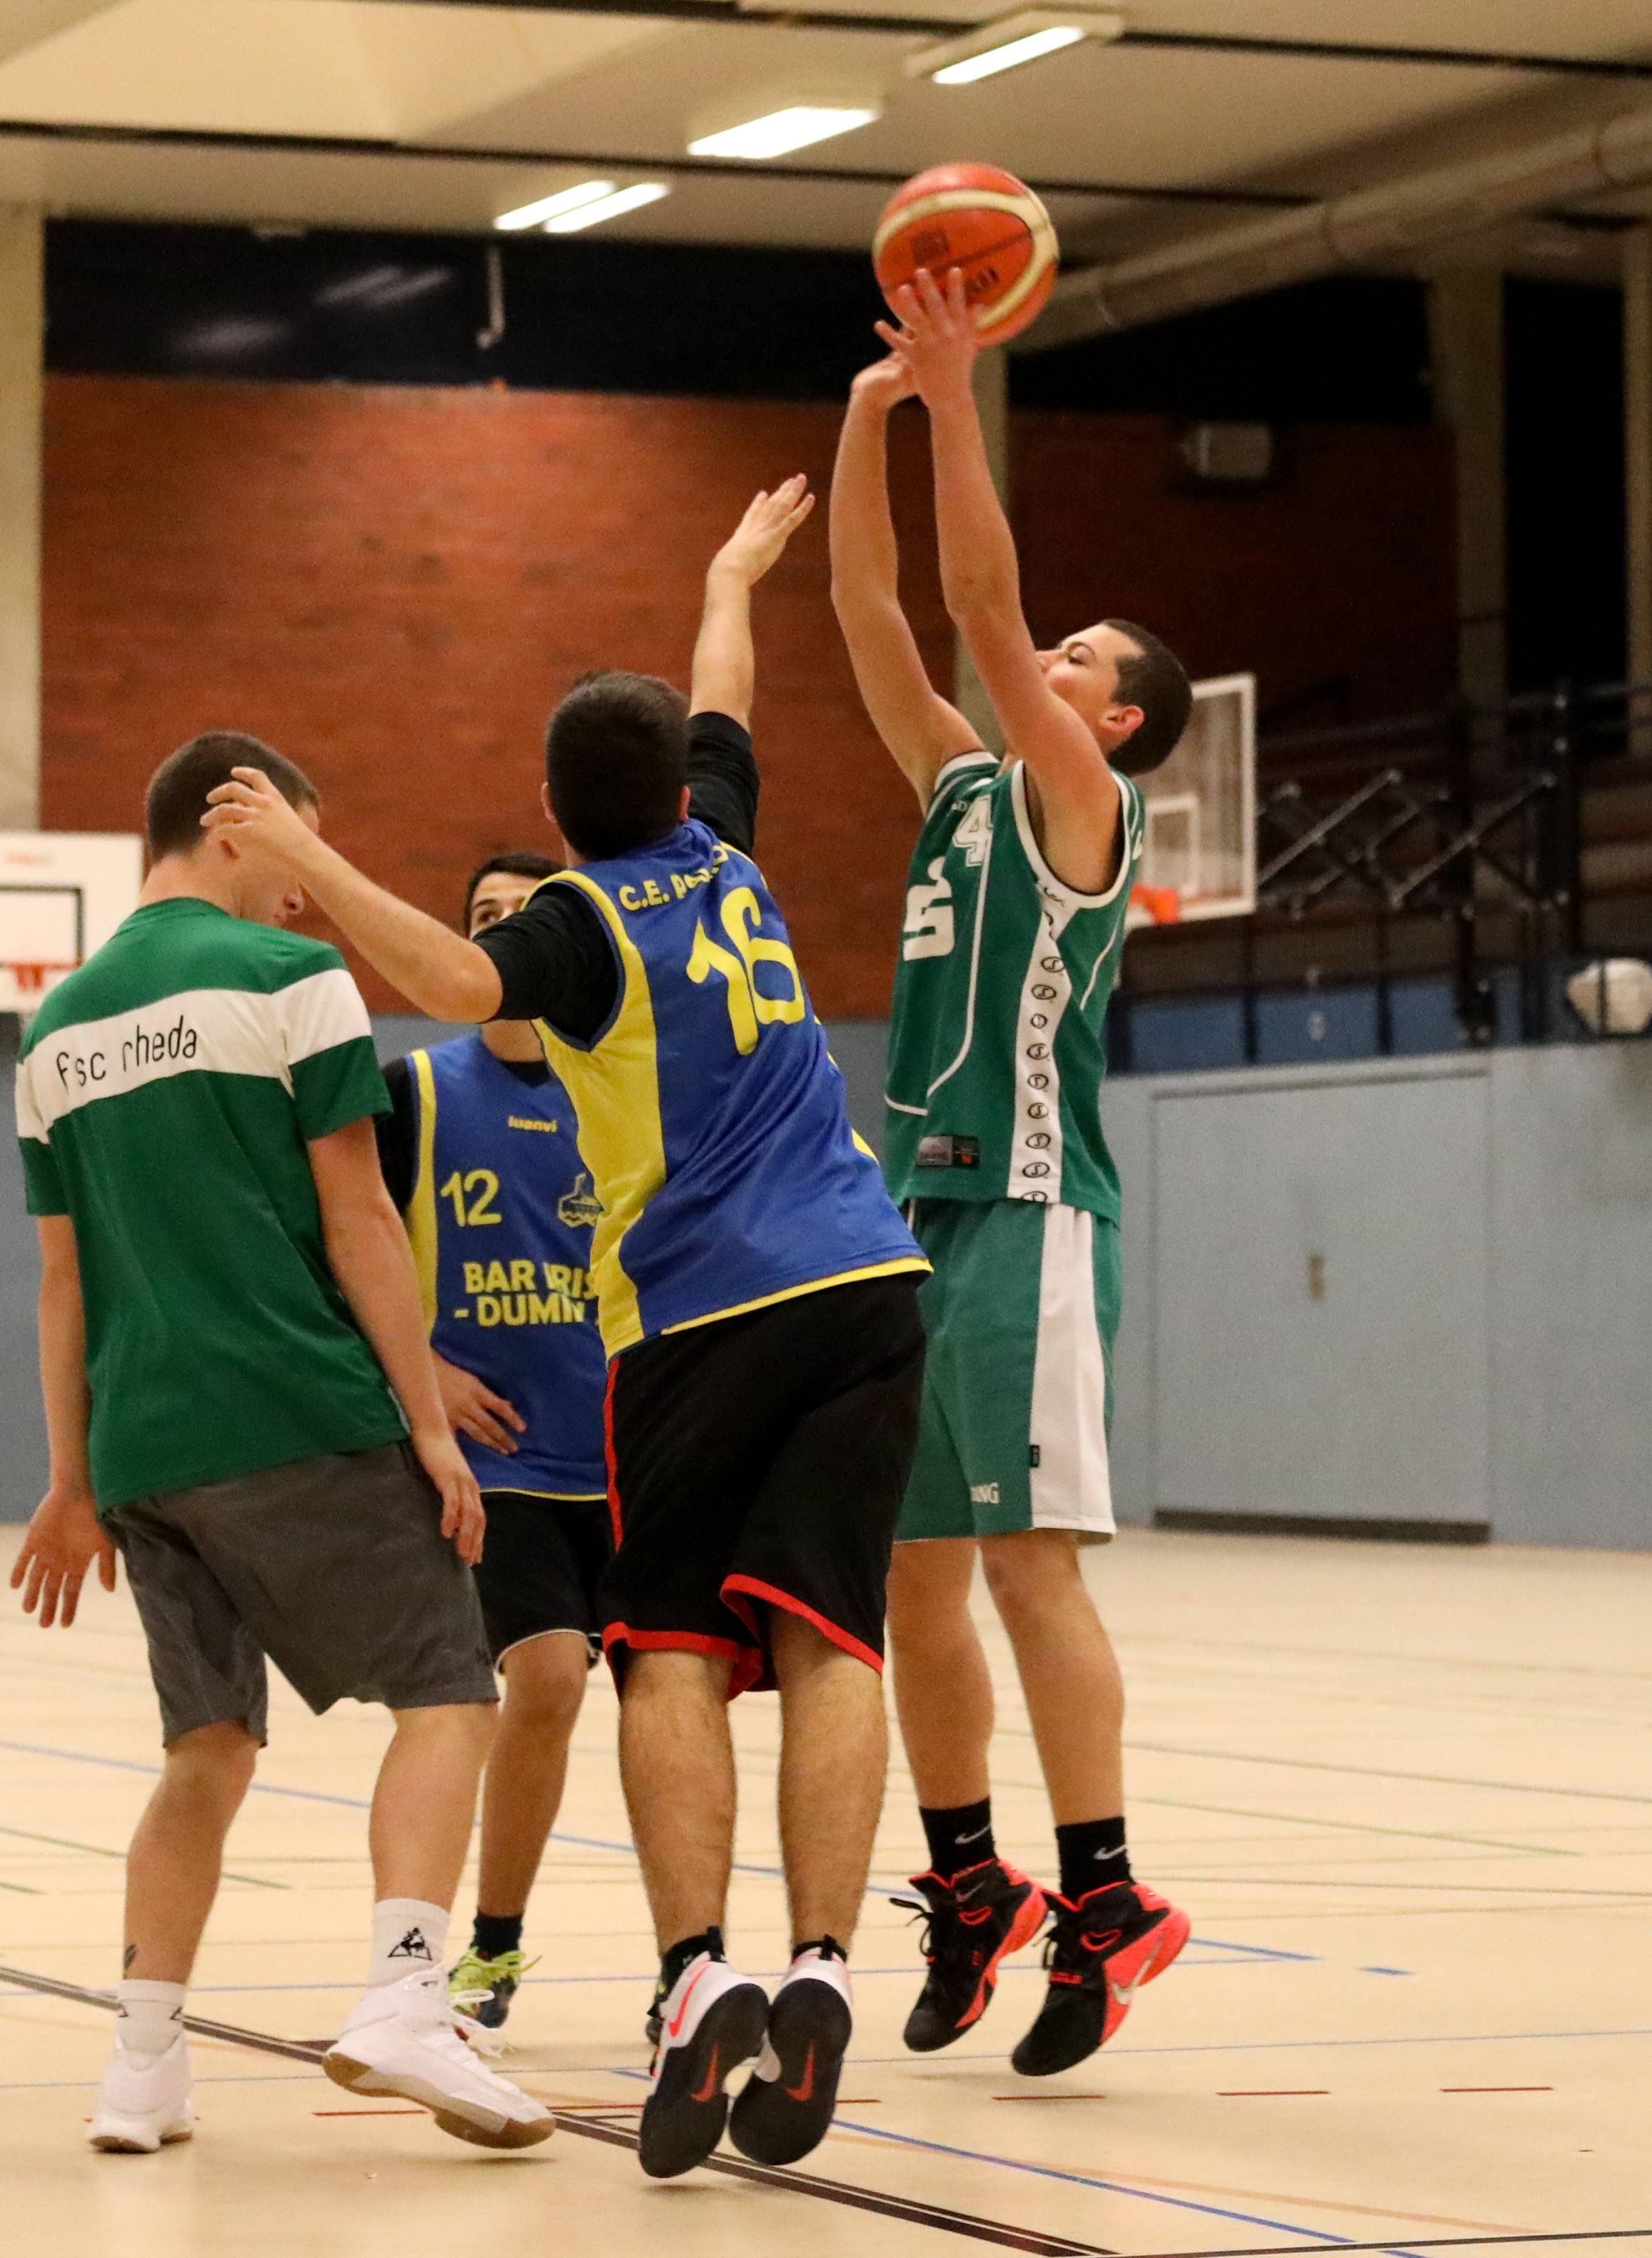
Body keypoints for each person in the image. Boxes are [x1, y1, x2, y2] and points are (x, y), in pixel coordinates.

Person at [201, 483, 928, 2180]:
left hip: (704, 1308)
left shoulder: (577, 928)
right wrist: (728, 574)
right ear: (680, 790)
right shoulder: (727, 853)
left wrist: (308, 859)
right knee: (833, 1638)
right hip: (869, 1280)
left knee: (663, 1647)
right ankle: (824, 1963)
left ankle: (701, 1974)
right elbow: (724, 693)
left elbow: (457, 986)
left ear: (552, 814)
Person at [9, 731, 553, 2160]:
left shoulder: (53, 1027)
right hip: (298, 1407)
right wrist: (426, 1422)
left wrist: (69, 1479)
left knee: (205, 1748)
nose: (306, 888)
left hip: (143, 1445)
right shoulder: (288, 978)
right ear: (230, 825)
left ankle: (141, 2067)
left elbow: (63, 1281)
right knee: (450, 1693)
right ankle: (407, 1997)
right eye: (297, 846)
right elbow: (359, 1216)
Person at [850, 272, 1197, 2078]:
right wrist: (868, 418)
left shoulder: (1081, 809)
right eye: (1052, 651)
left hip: (1033, 1214)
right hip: (916, 1214)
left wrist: (953, 396)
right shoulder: (958, 787)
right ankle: (971, 1879)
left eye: (1079, 662)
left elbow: (975, 606)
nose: (1043, 660)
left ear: (1114, 723)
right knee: (912, 1581)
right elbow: (872, 613)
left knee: (1027, 1569)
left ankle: (1108, 1895)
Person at [375, 853, 609, 2032]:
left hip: (629, 1448)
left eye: (525, 913)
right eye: (483, 916)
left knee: (674, 1701)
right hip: (501, 1461)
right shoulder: (414, 1091)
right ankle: (494, 1944)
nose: (504, 931)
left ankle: (691, 1959)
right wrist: (420, 1368)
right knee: (549, 1676)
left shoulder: (622, 1086)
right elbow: (338, 1253)